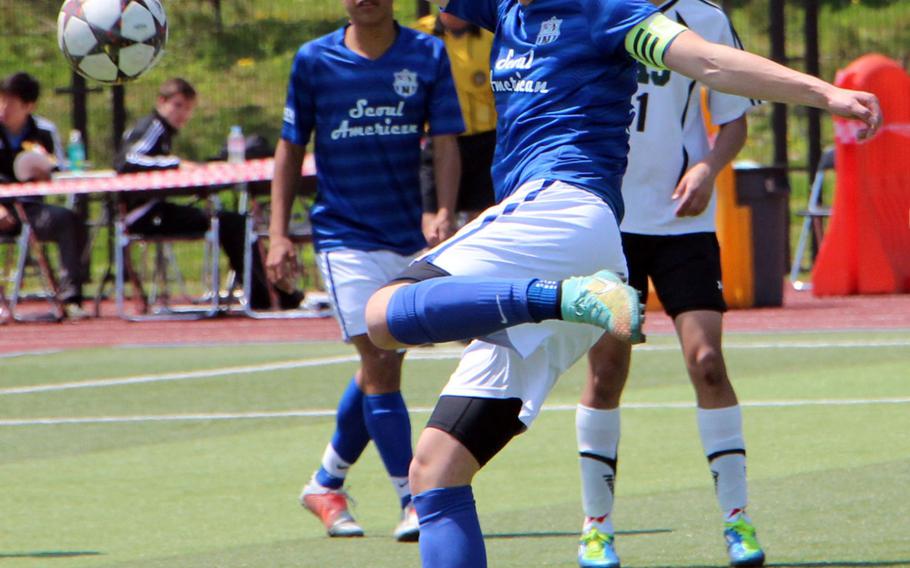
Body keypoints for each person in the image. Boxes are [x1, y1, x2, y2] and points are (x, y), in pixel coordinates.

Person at [360, 1, 881, 567]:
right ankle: (569, 300)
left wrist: (826, 94)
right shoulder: (503, 8)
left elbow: (709, 60)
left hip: (561, 212)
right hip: (577, 238)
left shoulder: (604, 9)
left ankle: (569, 300)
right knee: (436, 471)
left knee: (385, 315)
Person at [575, 2, 766, 566]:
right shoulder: (593, 11)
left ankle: (738, 521)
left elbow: (734, 120)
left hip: (684, 223)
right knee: (607, 371)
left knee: (707, 361)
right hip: (608, 222)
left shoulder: (703, 17)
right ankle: (597, 527)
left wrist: (707, 167)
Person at [265, 0, 463, 541]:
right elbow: (289, 149)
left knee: (382, 365)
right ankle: (414, 498)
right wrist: (279, 233)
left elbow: (444, 141)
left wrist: (444, 208)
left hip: (406, 237)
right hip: (343, 237)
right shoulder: (313, 60)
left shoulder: (427, 53)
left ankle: (325, 483)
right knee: (378, 355)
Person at [113, 77, 302, 311]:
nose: (183, 114)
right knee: (232, 224)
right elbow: (127, 160)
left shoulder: (161, 130)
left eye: (189, 109)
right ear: (161, 101)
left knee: (232, 222)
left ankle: (269, 294)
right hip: (143, 215)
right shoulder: (153, 126)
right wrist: (177, 164)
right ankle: (266, 297)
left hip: (155, 209)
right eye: (178, 105)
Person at [0, 72, 89, 319]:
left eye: (10, 103)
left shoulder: (44, 131)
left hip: (32, 211)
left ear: (29, 106)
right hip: (2, 209)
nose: (3, 108)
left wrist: (46, 173)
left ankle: (71, 298)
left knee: (68, 220)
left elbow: (59, 170)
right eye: (1, 100)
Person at [414, 10, 497, 226]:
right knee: (433, 224)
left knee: (481, 223)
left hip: (485, 142)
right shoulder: (420, 34)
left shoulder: (491, 33)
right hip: (438, 141)